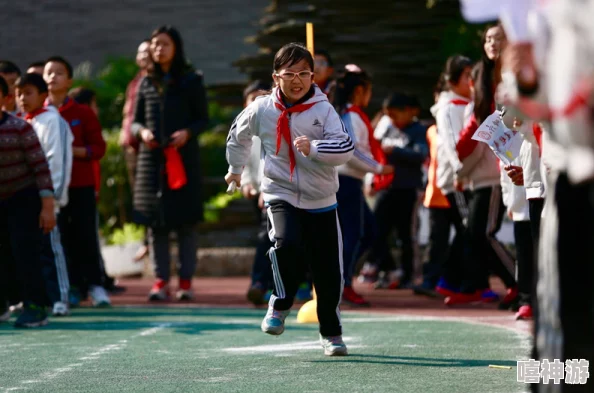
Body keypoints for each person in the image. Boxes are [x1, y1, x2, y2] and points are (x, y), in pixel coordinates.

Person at [225, 42, 354, 356]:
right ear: (275, 77)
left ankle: (332, 334)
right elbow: (238, 135)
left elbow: (345, 149)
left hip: (321, 199)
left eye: (304, 74)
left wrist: (315, 149)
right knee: (286, 243)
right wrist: (235, 169)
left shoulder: (323, 110)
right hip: (280, 192)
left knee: (328, 272)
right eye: (290, 74)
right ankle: (279, 303)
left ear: (313, 77)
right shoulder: (262, 109)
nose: (297, 80)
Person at [132, 26, 209, 301]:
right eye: (154, 44)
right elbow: (135, 121)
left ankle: (186, 282)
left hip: (183, 159)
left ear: (176, 47)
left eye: (164, 44)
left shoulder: (191, 79)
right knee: (156, 224)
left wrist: (187, 133)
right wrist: (142, 132)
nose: (158, 49)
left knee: (186, 224)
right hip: (151, 162)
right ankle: (160, 281)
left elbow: (203, 119)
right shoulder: (145, 81)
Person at [449, 25, 518, 307]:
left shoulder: (511, 79)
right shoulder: (481, 93)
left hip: (504, 167)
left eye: (498, 39)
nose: (492, 43)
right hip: (491, 171)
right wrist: (462, 171)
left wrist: (461, 170)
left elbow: (485, 135)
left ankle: (520, 284)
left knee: (484, 233)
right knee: (476, 234)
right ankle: (498, 284)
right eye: (488, 39)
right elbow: (475, 136)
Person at [43, 56, 110, 307]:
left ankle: (96, 285)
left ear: (69, 81)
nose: (52, 77)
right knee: (62, 239)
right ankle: (70, 287)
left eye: (59, 73)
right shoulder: (39, 114)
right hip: (52, 189)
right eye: (48, 73)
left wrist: (70, 150)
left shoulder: (82, 112)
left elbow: (99, 148)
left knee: (85, 236)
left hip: (81, 185)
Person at [331, 66, 393, 306]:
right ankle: (343, 284)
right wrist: (379, 168)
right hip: (345, 181)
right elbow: (352, 151)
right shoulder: (351, 116)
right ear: (359, 91)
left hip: (348, 180)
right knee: (355, 234)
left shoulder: (348, 114)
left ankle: (343, 281)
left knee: (364, 233)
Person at [15, 73, 73, 317]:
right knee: (31, 250)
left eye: (28, 93)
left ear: (43, 95)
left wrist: (53, 199)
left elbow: (56, 161)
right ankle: (39, 298)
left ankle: (60, 296)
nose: (22, 99)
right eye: (19, 94)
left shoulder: (52, 121)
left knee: (51, 248)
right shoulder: (22, 122)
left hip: (47, 199)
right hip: (26, 198)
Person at [0, 75, 56, 327]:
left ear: (6, 99)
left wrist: (47, 208)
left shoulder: (20, 127)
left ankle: (35, 306)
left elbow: (41, 169)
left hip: (23, 197)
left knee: (25, 252)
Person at [365, 92, 428, 289]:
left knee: (406, 235)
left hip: (407, 190)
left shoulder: (417, 130)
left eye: (395, 115)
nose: (392, 119)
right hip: (386, 188)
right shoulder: (388, 128)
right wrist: (372, 179)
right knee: (373, 230)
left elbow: (421, 154)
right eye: (388, 115)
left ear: (410, 112)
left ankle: (408, 275)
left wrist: (396, 151)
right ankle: (387, 268)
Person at [428, 55, 474, 296]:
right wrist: (460, 170)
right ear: (454, 80)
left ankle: (457, 280)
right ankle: (453, 280)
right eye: (467, 76)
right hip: (458, 179)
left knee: (470, 229)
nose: (472, 81)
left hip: (469, 176)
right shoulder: (448, 108)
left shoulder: (468, 103)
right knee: (468, 228)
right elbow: (450, 143)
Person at [121, 39, 152, 262]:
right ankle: (146, 240)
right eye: (140, 52)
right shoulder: (134, 82)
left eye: (147, 52)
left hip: (148, 148)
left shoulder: (153, 81)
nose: (143, 56)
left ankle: (150, 242)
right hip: (131, 147)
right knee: (138, 198)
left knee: (149, 197)